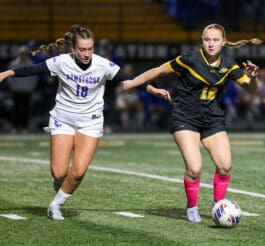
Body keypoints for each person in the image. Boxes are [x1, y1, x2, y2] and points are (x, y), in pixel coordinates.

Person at [0, 24, 170, 221]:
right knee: (59, 171)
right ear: (73, 49)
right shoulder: (62, 62)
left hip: (90, 122)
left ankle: (56, 205)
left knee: (79, 172)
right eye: (82, 49)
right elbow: (33, 69)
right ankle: (62, 185)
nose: (87, 53)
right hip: (63, 119)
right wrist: (6, 73)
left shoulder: (102, 64)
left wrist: (151, 90)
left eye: (90, 49)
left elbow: (129, 79)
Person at [123, 23, 261, 223]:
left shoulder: (230, 63)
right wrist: (132, 83)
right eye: (207, 39)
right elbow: (159, 70)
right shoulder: (189, 59)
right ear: (202, 40)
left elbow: (251, 89)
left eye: (215, 40)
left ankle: (218, 204)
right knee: (195, 169)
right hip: (185, 117)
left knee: (225, 167)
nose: (211, 44)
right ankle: (192, 207)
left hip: (213, 118)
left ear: (223, 42)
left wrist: (253, 78)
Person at [6, 45, 38, 133]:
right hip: (16, 90)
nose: (23, 55)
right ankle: (15, 127)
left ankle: (25, 127)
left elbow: (34, 78)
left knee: (26, 110)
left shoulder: (31, 64)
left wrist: (31, 88)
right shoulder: (13, 64)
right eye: (21, 53)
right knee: (15, 110)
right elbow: (8, 76)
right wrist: (12, 86)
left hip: (27, 91)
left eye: (24, 53)